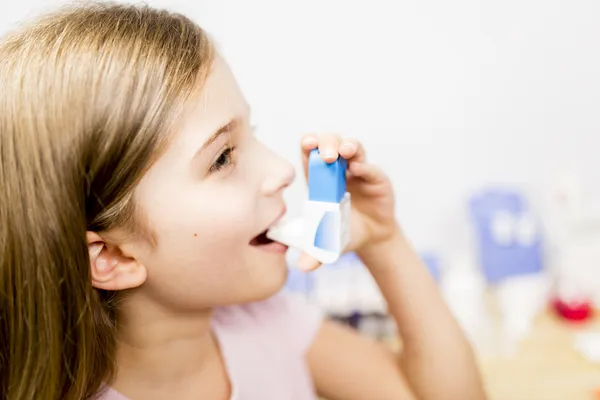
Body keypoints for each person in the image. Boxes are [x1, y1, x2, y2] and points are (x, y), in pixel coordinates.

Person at [0, 3, 486, 400]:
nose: (281, 170)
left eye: (249, 135)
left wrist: (383, 240)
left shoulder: (267, 325)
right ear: (112, 256)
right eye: (222, 158)